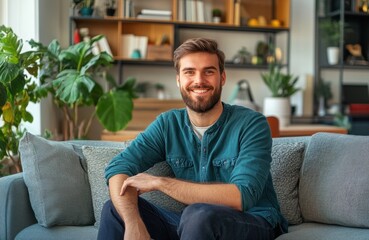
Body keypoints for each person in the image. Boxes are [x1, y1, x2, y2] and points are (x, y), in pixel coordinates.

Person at [98, 38, 287, 240]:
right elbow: (118, 167)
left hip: (253, 221)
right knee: (114, 209)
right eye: (189, 72)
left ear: (222, 77)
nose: (199, 80)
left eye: (209, 71)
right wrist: (133, 224)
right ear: (178, 80)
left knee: (197, 214)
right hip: (193, 225)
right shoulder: (167, 124)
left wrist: (160, 183)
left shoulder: (252, 124)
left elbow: (242, 196)